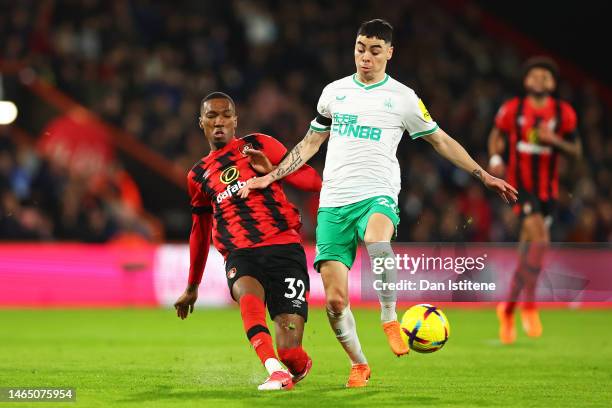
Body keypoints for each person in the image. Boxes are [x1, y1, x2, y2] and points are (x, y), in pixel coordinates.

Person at [240, 19, 517, 387]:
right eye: (360, 48)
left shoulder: (402, 98)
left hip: (378, 193)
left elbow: (441, 141)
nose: (365, 57)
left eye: (374, 50)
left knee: (377, 239)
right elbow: (309, 144)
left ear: (389, 52)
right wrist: (270, 176)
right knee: (336, 303)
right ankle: (359, 364)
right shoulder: (334, 93)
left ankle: (389, 317)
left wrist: (483, 174)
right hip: (334, 203)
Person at [174, 92, 322, 391]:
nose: (219, 121)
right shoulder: (198, 176)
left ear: (235, 120)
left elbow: (311, 181)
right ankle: (275, 371)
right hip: (241, 253)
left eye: (226, 114)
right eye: (212, 116)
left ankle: (292, 364)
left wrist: (273, 171)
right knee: (247, 297)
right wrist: (192, 285)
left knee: (291, 351)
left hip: (284, 246)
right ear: (201, 123)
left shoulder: (259, 144)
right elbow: (200, 231)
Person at [488, 57, 581, 344]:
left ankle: (509, 308)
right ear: (526, 80)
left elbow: (576, 151)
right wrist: (495, 159)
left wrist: (554, 140)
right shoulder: (512, 109)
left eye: (546, 76)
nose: (540, 79)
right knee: (540, 240)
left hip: (548, 194)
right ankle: (528, 304)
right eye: (534, 74)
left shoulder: (563, 113)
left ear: (553, 83)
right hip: (520, 188)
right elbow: (496, 135)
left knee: (529, 252)